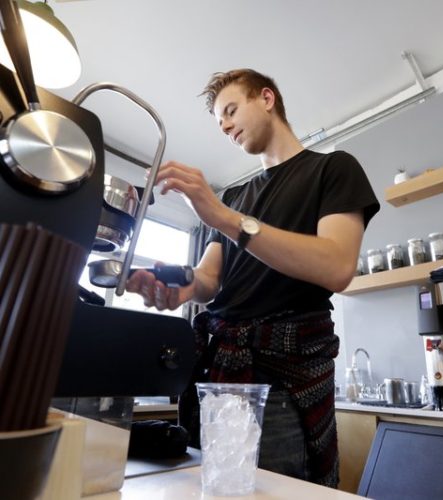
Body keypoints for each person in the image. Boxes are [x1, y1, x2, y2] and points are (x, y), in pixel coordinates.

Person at [126, 68, 380, 488]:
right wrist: (174, 287)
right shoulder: (234, 197)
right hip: (216, 375)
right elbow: (207, 280)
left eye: (230, 110)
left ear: (266, 98)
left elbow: (337, 266)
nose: (224, 125)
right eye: (219, 120)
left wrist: (225, 218)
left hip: (279, 383)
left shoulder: (332, 169)